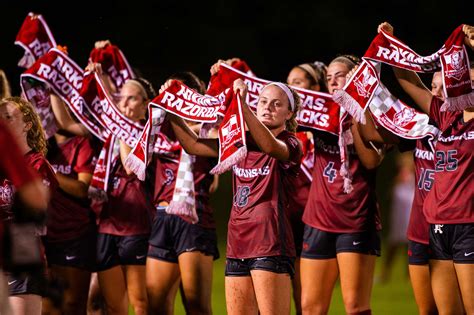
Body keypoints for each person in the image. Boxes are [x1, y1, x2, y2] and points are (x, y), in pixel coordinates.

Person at [165, 66, 302, 314]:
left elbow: (270, 147)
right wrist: (170, 111)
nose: (268, 108)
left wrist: (244, 106)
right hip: (237, 242)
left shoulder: (291, 143)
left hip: (270, 243)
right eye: (262, 102)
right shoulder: (238, 141)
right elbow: (193, 145)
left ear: (289, 112)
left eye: (276, 104)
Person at [379, 22, 474, 315]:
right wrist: (391, 44)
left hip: (470, 224)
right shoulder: (443, 117)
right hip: (438, 225)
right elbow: (406, 78)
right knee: (447, 312)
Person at [300, 55, 384, 315]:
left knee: (355, 307)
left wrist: (355, 107)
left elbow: (371, 160)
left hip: (356, 220)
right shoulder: (320, 114)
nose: (333, 81)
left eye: (340, 75)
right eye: (329, 77)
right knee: (310, 307)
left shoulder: (376, 112)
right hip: (318, 219)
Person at [146, 71, 220, 315]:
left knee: (196, 305)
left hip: (193, 219)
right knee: (156, 305)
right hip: (162, 215)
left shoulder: (210, 129)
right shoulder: (161, 125)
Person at [0, 97, 58, 315]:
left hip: (20, 257)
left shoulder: (37, 164)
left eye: (9, 117)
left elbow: (36, 214)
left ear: (28, 125)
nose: (2, 122)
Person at [42, 118, 97, 315]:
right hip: (44, 236)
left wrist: (49, 170)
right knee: (48, 308)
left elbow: (83, 189)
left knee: (72, 305)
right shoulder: (41, 146)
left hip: (74, 235)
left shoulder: (82, 144)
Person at [286, 61, 328, 314]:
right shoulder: (285, 127)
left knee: (305, 297)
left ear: (314, 87)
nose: (291, 87)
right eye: (289, 81)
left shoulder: (325, 125)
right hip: (284, 214)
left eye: (298, 82)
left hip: (312, 217)